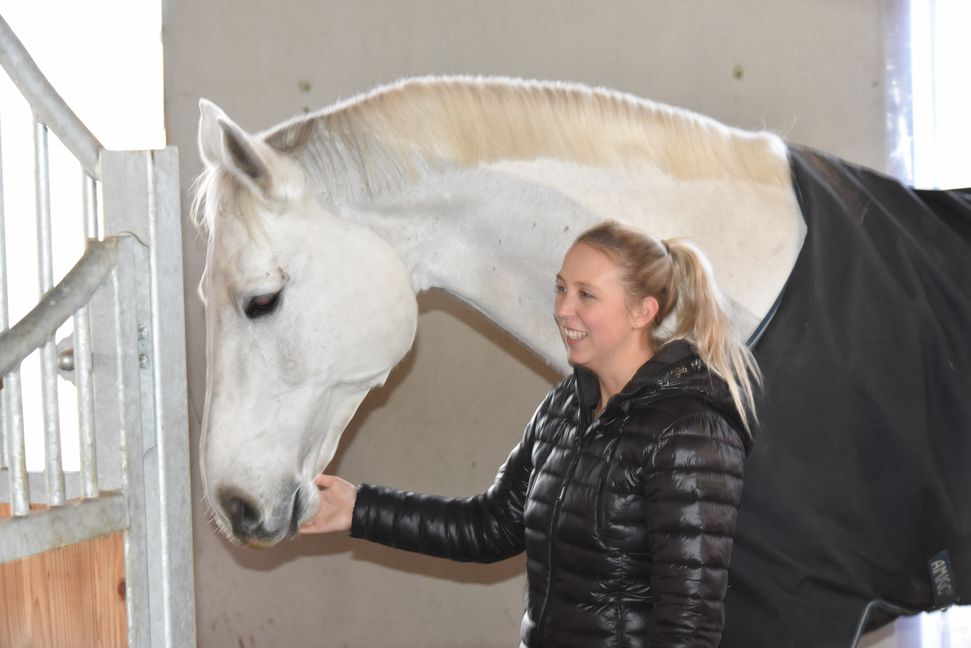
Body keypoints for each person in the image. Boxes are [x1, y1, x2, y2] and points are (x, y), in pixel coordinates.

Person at [300, 220, 761, 647]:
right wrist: (360, 508)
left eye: (587, 295)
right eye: (561, 288)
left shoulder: (689, 431)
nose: (562, 310)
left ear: (642, 311)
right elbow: (492, 526)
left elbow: (689, 629)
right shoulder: (567, 404)